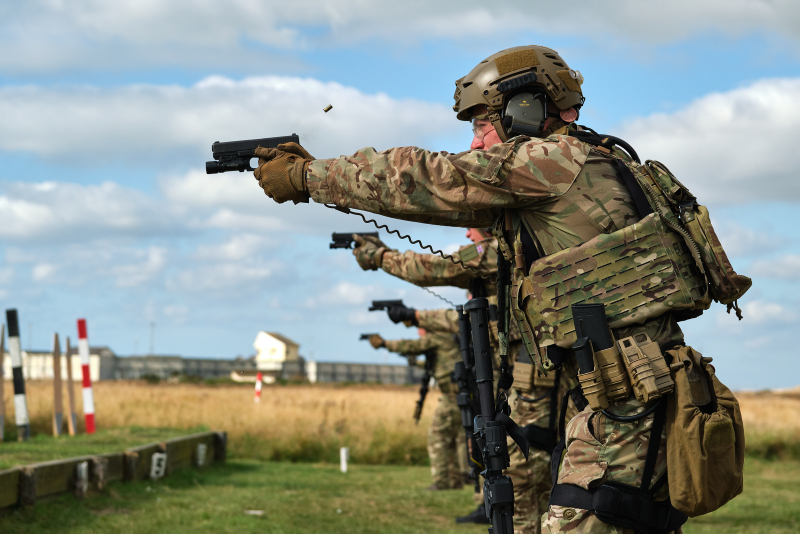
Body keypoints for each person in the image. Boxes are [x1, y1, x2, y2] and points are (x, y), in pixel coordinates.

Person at [251, 45, 725, 533]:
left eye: (480, 125)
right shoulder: (589, 162)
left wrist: (307, 177)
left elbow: (428, 178)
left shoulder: (552, 160)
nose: (476, 144)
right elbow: (444, 200)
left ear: (525, 109)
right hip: (630, 391)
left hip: (627, 399)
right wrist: (328, 177)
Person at [357, 231, 575, 531]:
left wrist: (379, 256)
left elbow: (437, 267)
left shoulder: (502, 247)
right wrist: (414, 315)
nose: (467, 232)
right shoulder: (522, 248)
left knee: (523, 472)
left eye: (473, 224)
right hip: (547, 379)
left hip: (539, 385)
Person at [367, 328, 467, 491]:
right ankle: (454, 480)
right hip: (460, 396)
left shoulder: (436, 337)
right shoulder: (447, 340)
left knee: (437, 438)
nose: (419, 334)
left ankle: (442, 481)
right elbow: (438, 364)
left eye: (420, 330)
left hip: (452, 397)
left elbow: (411, 346)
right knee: (451, 439)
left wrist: (384, 344)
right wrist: (416, 363)